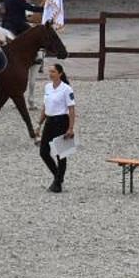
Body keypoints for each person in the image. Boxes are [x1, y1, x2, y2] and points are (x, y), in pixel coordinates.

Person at [38, 62, 77, 193]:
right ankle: (58, 176)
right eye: (49, 72)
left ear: (60, 73)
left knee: (61, 153)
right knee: (43, 151)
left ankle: (58, 182)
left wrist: (70, 128)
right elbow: (45, 106)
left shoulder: (67, 89)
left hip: (61, 121)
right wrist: (39, 123)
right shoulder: (48, 87)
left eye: (53, 72)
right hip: (49, 121)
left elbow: (71, 109)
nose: (50, 74)